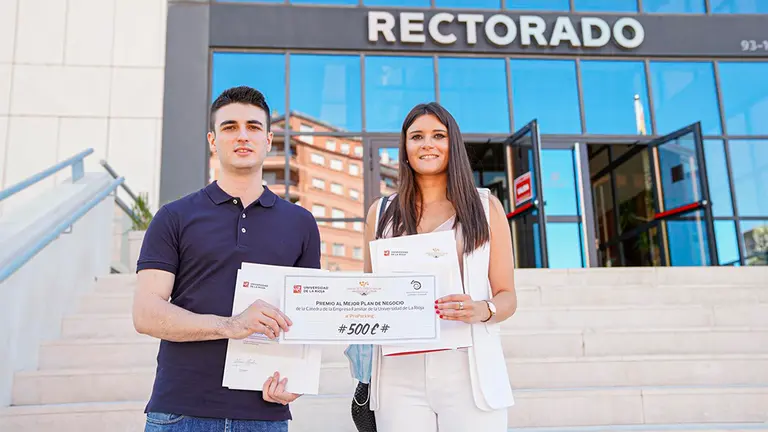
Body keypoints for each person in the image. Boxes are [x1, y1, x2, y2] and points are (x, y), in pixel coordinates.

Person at [132, 86, 321, 432]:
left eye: (252, 126)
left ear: (268, 139)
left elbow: (306, 319)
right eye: (230, 127)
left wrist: (297, 380)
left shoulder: (301, 223)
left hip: (264, 414)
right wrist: (231, 326)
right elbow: (146, 313)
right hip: (180, 412)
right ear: (212, 140)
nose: (242, 136)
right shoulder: (174, 216)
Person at [360, 102, 517, 432]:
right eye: (416, 136)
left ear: (452, 144)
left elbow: (507, 296)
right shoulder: (380, 212)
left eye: (438, 135)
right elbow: (368, 296)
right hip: (398, 373)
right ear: (405, 148)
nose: (427, 144)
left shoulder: (485, 207)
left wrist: (482, 308)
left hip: (468, 369)